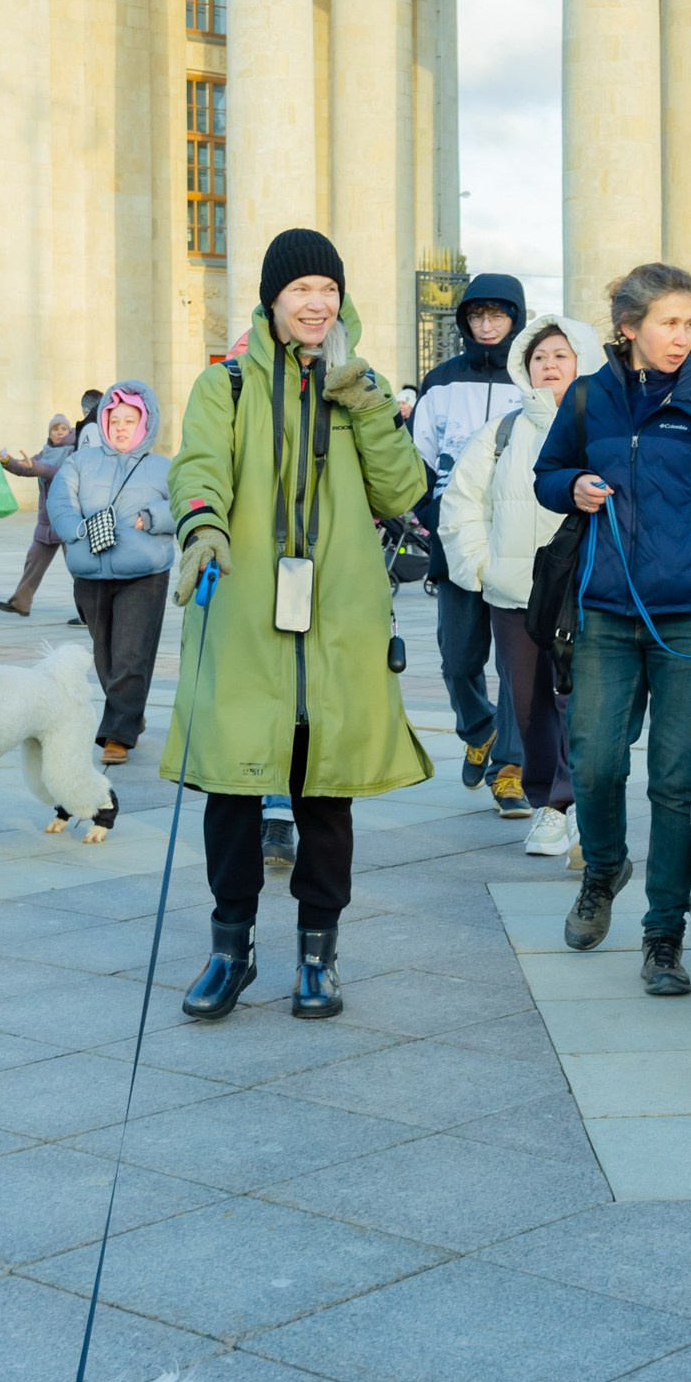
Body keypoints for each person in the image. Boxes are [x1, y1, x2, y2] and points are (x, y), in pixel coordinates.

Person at [164, 228, 428, 1022]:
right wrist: (203, 527)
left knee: (327, 791)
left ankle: (319, 953)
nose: (316, 303)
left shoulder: (362, 385)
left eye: (328, 289)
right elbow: (198, 464)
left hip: (338, 615)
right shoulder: (228, 386)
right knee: (232, 784)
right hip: (246, 608)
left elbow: (401, 491)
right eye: (300, 290)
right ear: (272, 300)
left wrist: (369, 407)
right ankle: (229, 949)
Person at [534, 263, 691, 993]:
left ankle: (663, 933)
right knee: (597, 760)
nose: (682, 337)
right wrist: (570, 487)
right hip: (604, 612)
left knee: (677, 780)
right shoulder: (587, 398)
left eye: (689, 323)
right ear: (628, 328)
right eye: (669, 323)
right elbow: (548, 474)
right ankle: (603, 869)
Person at [440, 313, 582, 858]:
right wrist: (481, 568)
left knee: (580, 703)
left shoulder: (605, 427)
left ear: (581, 363)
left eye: (560, 356)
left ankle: (574, 804)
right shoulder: (501, 432)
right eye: (539, 357)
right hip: (516, 595)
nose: (549, 365)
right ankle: (545, 802)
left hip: (584, 594)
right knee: (527, 706)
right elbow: (462, 504)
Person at [410, 272, 529, 805]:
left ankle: (511, 767)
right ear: (464, 321)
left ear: (515, 319)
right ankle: (479, 730)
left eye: (498, 315)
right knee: (458, 660)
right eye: (477, 315)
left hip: (516, 537)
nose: (487, 325)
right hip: (455, 536)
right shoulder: (441, 381)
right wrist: (430, 514)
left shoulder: (532, 378)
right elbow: (418, 458)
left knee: (515, 660)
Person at [61, 382, 173, 759]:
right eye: (115, 419)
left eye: (130, 420)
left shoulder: (164, 467)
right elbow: (61, 502)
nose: (122, 427)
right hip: (90, 571)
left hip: (144, 573)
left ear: (145, 424)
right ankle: (130, 714)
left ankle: (118, 734)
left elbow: (187, 502)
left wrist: (153, 516)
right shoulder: (79, 461)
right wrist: (78, 529)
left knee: (130, 653)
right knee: (104, 655)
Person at [0, 413, 80, 616]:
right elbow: (26, 468)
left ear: (69, 431)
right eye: (55, 429)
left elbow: (55, 472)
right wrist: (7, 461)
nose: (59, 432)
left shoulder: (74, 453)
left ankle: (89, 611)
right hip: (46, 520)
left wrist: (35, 467)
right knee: (33, 561)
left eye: (63, 429)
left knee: (78, 568)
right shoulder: (46, 452)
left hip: (67, 518)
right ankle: (20, 603)